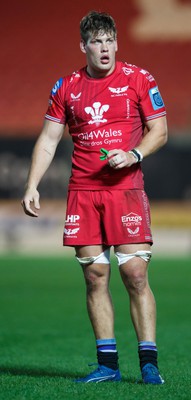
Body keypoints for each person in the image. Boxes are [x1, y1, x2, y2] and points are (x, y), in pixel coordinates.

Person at [21, 10, 168, 384]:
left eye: (109, 41)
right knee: (95, 277)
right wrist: (32, 184)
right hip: (84, 192)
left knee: (135, 274)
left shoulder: (139, 78)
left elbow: (159, 131)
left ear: (117, 42)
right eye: (96, 42)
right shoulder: (66, 87)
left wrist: (134, 154)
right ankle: (108, 366)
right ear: (83, 46)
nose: (104, 48)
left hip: (125, 191)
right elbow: (50, 139)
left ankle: (149, 362)